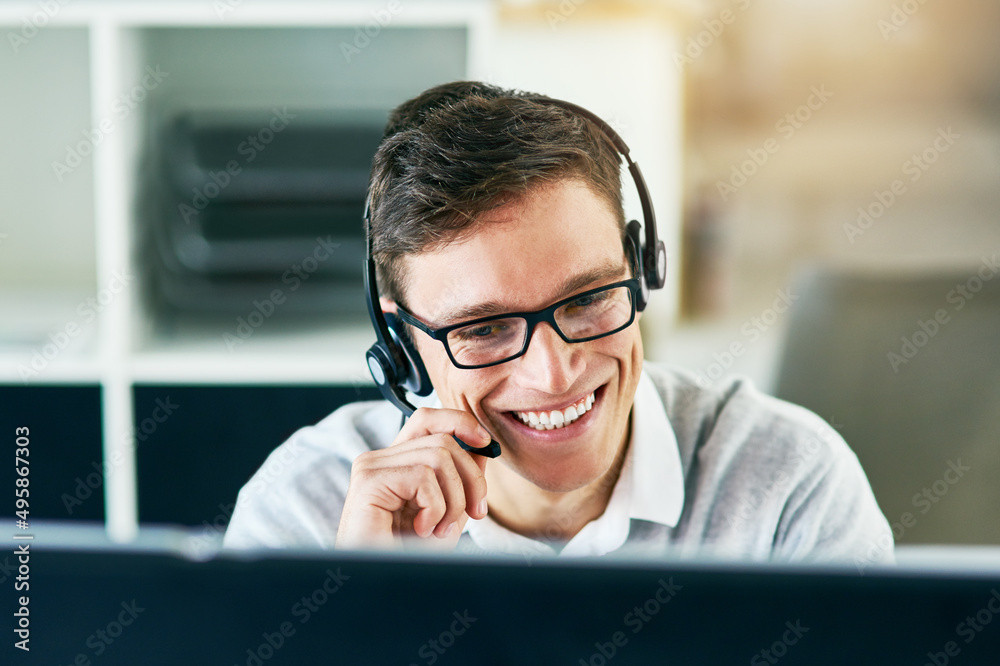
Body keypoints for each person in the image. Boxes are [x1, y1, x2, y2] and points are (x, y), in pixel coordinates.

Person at [223, 81, 893, 563]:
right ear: (402, 343)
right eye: (483, 329)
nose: (553, 373)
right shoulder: (303, 515)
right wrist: (370, 608)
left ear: (641, 270)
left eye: (586, 299)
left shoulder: (790, 489)